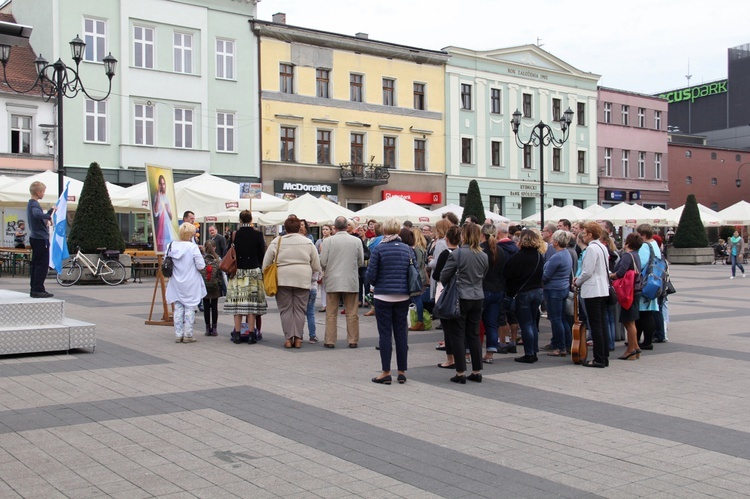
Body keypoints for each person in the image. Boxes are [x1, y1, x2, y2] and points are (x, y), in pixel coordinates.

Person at [366, 218, 414, 384]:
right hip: (403, 296)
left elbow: (371, 276)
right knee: (401, 334)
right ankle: (401, 371)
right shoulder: (407, 249)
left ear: (384, 231)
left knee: (385, 334)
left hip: (383, 296)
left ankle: (386, 372)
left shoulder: (379, 249)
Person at [263, 215, 321, 349]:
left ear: (286, 228)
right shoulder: (308, 242)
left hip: (283, 279)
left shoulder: (277, 241)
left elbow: (266, 264)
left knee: (286, 310)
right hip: (303, 279)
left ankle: (288, 338)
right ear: (299, 228)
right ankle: (298, 339)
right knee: (300, 310)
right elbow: (317, 265)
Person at [440, 223, 488, 384]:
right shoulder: (483, 255)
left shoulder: (458, 254)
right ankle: (476, 370)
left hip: (460, 296)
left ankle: (460, 372)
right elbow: (484, 274)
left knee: (458, 334)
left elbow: (444, 275)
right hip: (477, 296)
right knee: (473, 334)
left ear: (464, 236)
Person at [320, 216, 364, 348]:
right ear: (347, 226)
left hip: (333, 280)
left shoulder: (328, 242)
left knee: (331, 314)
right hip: (350, 280)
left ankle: (330, 340)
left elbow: (323, 262)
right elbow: (361, 261)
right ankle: (353, 340)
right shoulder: (356, 241)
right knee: (352, 313)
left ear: (335, 227)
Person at [224, 210, 267, 344]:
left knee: (238, 305)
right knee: (251, 306)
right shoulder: (258, 234)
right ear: (251, 219)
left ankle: (237, 334)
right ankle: (251, 334)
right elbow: (262, 254)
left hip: (238, 272)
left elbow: (229, 252)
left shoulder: (234, 235)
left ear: (240, 220)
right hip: (253, 271)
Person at [574, 222, 611, 368]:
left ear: (590, 234)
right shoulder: (602, 247)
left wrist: (577, 282)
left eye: (585, 232)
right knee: (601, 324)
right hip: (602, 288)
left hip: (593, 290)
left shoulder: (591, 249)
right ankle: (604, 356)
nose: (583, 235)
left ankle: (599, 358)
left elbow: (587, 271)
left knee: (596, 325)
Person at [505, 230, 545, 364]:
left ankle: (529, 353)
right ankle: (533, 350)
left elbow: (508, 274)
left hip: (523, 293)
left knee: (526, 324)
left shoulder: (518, 257)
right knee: (532, 322)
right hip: (537, 291)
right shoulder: (539, 256)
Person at [165, 223, 206, 343]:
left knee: (178, 308)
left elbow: (165, 262)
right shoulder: (192, 247)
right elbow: (201, 265)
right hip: (191, 281)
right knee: (190, 307)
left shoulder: (171, 245)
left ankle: (178, 334)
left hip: (175, 281)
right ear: (190, 234)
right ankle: (188, 334)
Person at [610, 233, 643, 360]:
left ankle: (631, 350)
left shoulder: (627, 256)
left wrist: (610, 276)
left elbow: (621, 272)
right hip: (636, 290)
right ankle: (635, 347)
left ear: (628, 243)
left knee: (628, 321)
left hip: (629, 291)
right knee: (630, 320)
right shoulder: (636, 255)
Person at [542, 230, 573, 358]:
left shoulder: (557, 256)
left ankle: (560, 347)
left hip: (554, 289)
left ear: (556, 242)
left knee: (556, 319)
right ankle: (567, 344)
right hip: (563, 287)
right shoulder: (567, 254)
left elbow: (546, 275)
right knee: (562, 319)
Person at [434, 226, 461, 368]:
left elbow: (437, 275)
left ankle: (451, 359)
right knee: (459, 327)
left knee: (448, 327)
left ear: (447, 238)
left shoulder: (446, 254)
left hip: (446, 291)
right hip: (463, 292)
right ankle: (461, 357)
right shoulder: (463, 252)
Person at [480, 223, 507, 363]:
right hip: (498, 290)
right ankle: (490, 353)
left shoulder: (480, 250)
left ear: (482, 234)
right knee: (491, 323)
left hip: (483, 289)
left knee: (475, 322)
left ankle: (469, 352)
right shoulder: (500, 251)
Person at [26, 181, 55, 298]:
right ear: (38, 192)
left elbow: (37, 217)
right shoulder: (34, 204)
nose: (43, 194)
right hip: (40, 238)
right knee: (42, 264)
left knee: (36, 264)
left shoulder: (30, 204)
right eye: (43, 191)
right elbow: (37, 214)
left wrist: (50, 212)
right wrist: (47, 216)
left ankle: (35, 288)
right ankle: (38, 289)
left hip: (35, 237)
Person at [409, 227, 429, 331]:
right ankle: (419, 320)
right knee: (417, 299)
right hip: (421, 273)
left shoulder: (415, 249)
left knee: (416, 299)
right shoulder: (422, 248)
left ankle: (419, 321)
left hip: (416, 275)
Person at [200, 240, 222, 336]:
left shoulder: (201, 259)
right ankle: (214, 328)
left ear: (205, 248)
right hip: (215, 286)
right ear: (214, 248)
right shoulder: (218, 259)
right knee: (214, 307)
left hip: (204, 286)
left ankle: (207, 328)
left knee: (206, 307)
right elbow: (221, 274)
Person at [152, 175, 176, 252]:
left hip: (167, 225)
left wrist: (168, 210)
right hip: (161, 225)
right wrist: (158, 196)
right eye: (161, 184)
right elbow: (155, 212)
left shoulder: (166, 197)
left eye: (163, 184)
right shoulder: (157, 196)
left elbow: (171, 216)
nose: (162, 186)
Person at [315, 224, 332, 312]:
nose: (324, 231)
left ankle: (330, 304)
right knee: (323, 286)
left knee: (330, 286)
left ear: (330, 231)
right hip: (321, 266)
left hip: (331, 265)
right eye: (323, 229)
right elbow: (315, 252)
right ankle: (324, 304)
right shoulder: (319, 241)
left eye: (326, 229)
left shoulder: (332, 240)